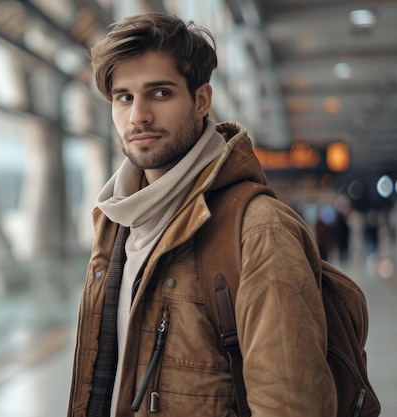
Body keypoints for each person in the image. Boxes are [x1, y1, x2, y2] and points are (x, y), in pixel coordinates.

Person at [67, 13, 336, 417]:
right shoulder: (115, 222)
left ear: (201, 101)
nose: (138, 115)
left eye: (159, 93)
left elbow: (291, 405)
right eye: (124, 97)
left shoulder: (259, 230)